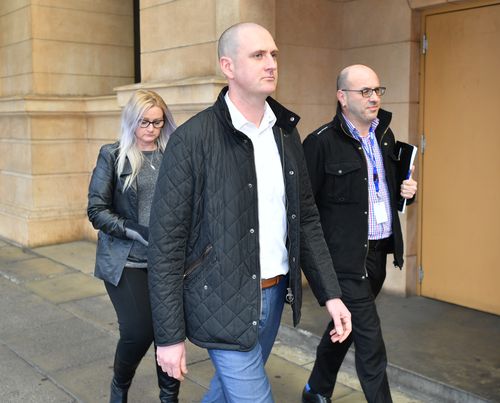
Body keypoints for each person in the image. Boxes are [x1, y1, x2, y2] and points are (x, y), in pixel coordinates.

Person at [147, 22, 352, 403]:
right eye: (258, 55)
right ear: (228, 66)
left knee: (225, 393)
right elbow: (165, 246)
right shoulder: (192, 140)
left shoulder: (286, 133)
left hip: (274, 294)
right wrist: (169, 335)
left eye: (274, 54)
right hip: (219, 299)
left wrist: (331, 295)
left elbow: (305, 218)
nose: (271, 63)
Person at [301, 64, 418, 403]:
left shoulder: (385, 135)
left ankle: (316, 390)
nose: (374, 98)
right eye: (364, 91)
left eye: (377, 91)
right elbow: (305, 212)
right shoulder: (320, 143)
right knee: (371, 342)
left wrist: (406, 190)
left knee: (345, 328)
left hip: (378, 254)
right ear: (342, 97)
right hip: (344, 260)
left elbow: (384, 190)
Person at [87, 89, 180, 403]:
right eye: (144, 122)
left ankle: (169, 397)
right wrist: (133, 229)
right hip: (126, 260)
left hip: (167, 261)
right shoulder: (112, 155)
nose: (151, 129)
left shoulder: (173, 155)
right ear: (130, 122)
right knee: (139, 331)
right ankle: (119, 386)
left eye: (157, 122)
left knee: (168, 333)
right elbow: (96, 211)